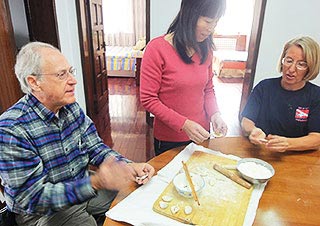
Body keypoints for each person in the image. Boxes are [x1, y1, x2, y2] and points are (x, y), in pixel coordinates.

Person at [0, 41, 155, 226]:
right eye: (61, 74)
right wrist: (95, 183)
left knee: (134, 192)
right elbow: (32, 199)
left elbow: (95, 147)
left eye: (70, 71)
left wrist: (128, 167)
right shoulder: (12, 129)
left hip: (82, 185)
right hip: (42, 213)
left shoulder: (71, 107)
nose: (73, 80)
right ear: (34, 83)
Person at [140, 0, 228, 155]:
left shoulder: (206, 50)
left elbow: (208, 89)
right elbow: (148, 99)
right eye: (207, 21)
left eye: (216, 22)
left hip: (201, 134)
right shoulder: (156, 48)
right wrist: (184, 124)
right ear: (189, 15)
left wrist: (215, 114)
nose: (211, 28)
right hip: (170, 139)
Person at [241, 36, 320, 152]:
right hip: (262, 152)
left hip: (297, 158)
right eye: (289, 61)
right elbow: (246, 121)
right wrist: (252, 130)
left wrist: (288, 143)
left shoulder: (316, 95)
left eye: (301, 64)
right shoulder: (264, 87)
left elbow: (316, 138)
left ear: (310, 68)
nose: (291, 69)